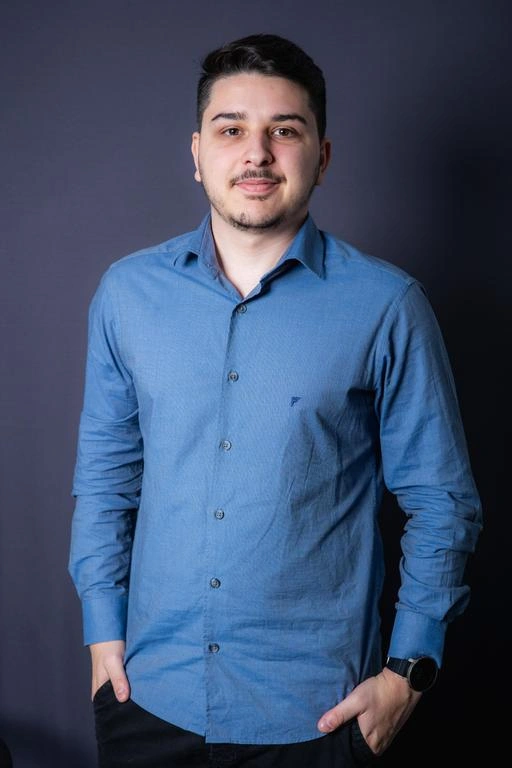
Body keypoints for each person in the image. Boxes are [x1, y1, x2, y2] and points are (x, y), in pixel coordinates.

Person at [68, 33, 482, 768]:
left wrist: (407, 673)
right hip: (148, 698)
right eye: (231, 130)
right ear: (198, 153)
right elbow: (106, 477)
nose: (256, 154)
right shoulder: (127, 294)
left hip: (316, 719)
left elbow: (442, 501)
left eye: (284, 131)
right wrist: (103, 632)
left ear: (322, 156)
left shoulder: (388, 306)